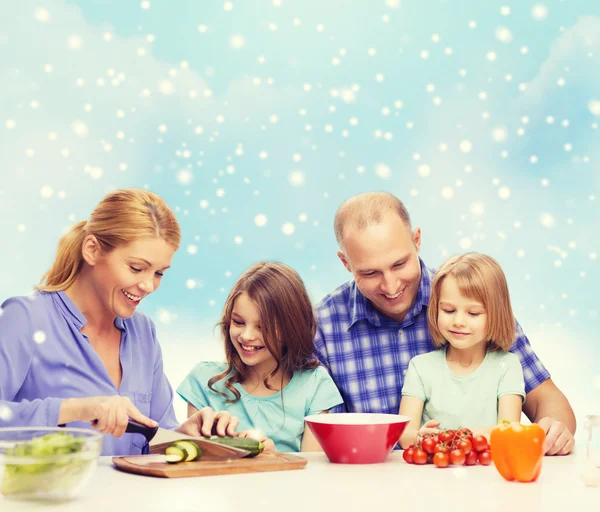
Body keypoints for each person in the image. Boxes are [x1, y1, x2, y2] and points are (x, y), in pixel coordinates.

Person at [314, 191, 576, 455]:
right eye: (370, 273)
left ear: (417, 240)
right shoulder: (323, 325)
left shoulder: (471, 299)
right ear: (345, 262)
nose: (391, 286)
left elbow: (547, 399)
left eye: (400, 263)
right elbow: (315, 432)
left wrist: (554, 430)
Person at [0, 188, 238, 456]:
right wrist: (79, 409)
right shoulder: (25, 318)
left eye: (159, 272)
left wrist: (186, 436)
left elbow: (154, 433)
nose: (148, 285)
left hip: (132, 499)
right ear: (92, 250)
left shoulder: (143, 333)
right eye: (136, 268)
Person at [177, 262, 343, 452]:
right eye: (238, 322)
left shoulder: (314, 385)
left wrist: (274, 458)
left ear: (293, 326)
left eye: (263, 327)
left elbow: (313, 471)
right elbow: (191, 461)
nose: (247, 336)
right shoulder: (204, 380)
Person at [398, 253, 524, 448]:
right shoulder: (420, 367)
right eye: (448, 310)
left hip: (486, 473)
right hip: (431, 472)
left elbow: (510, 430)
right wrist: (418, 437)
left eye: (473, 313)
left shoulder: (506, 366)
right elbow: (404, 434)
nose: (458, 322)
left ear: (496, 314)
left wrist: (481, 435)